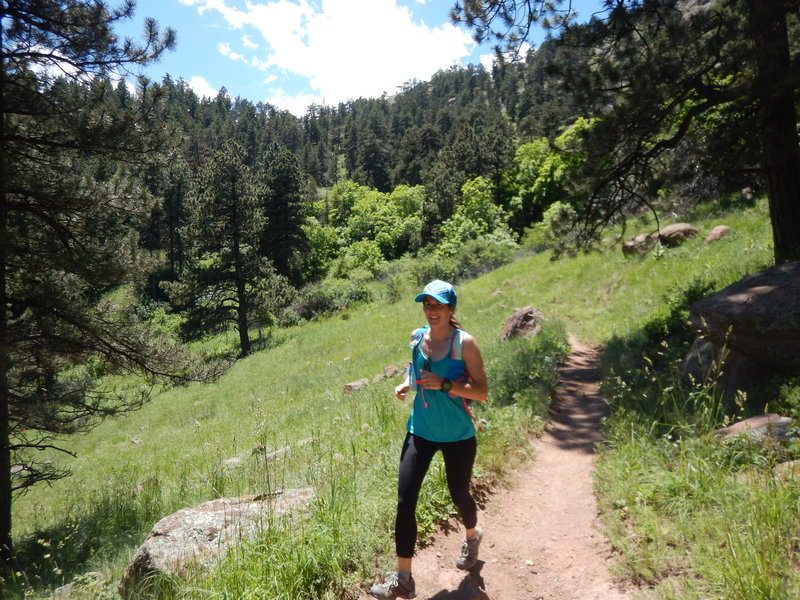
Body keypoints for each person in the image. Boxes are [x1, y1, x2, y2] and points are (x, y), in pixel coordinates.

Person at [370, 280, 489, 600]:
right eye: (427, 304)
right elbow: (415, 367)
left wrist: (445, 385)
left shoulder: (465, 344)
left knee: (459, 493)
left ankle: (472, 535)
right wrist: (405, 383)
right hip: (419, 430)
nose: (431, 310)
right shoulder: (418, 337)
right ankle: (404, 580)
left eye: (438, 305)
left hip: (457, 435)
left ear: (451, 309)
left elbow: (481, 392)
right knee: (405, 502)